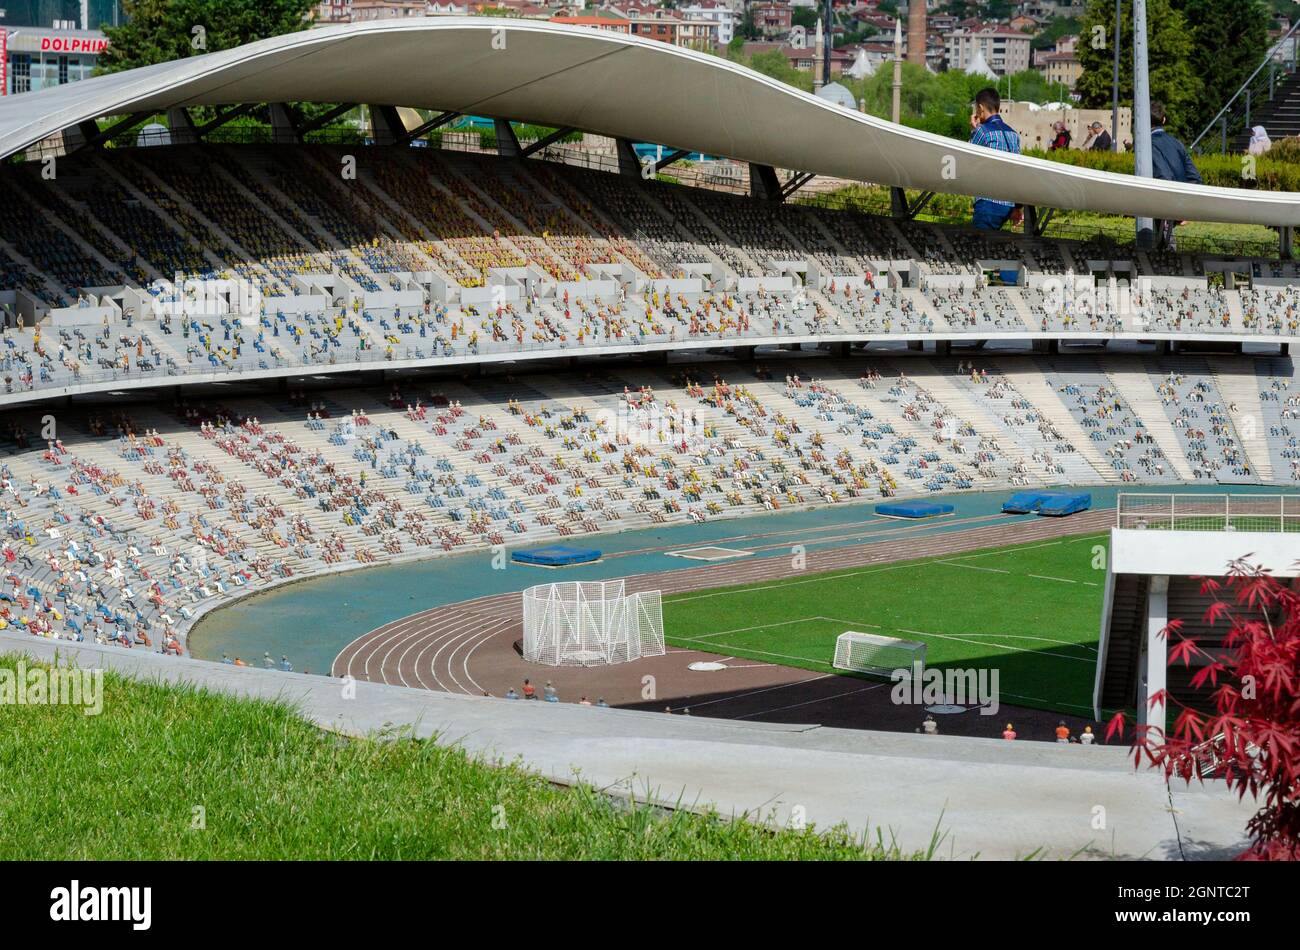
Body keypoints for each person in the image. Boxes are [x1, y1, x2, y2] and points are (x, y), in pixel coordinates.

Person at [1148, 100, 1202, 250]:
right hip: (1175, 209)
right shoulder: (1177, 143)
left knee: (1158, 255)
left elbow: (1163, 176)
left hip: (1159, 211)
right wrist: (1184, 208)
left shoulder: (1146, 144)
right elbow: (1195, 178)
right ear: (1164, 120)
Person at [968, 88, 1023, 231]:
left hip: (988, 202)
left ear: (980, 108)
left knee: (979, 247)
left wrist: (974, 130)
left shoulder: (983, 131)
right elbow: (1018, 171)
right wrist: (1017, 207)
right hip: (1008, 205)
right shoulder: (1014, 134)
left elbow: (966, 158)